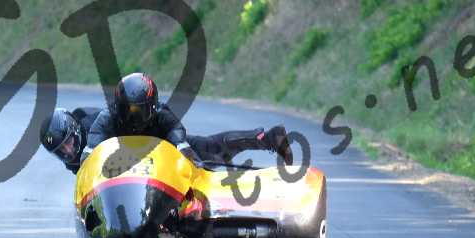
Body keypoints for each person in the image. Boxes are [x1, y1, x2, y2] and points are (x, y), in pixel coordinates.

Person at [40, 72, 293, 173]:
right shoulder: (94, 130)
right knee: (209, 147)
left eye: (69, 143)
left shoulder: (97, 123)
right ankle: (265, 138)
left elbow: (176, 132)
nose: (68, 151)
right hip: (136, 155)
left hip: (158, 144)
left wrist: (185, 152)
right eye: (60, 151)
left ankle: (267, 139)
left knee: (206, 155)